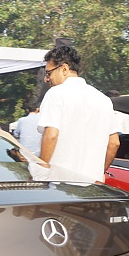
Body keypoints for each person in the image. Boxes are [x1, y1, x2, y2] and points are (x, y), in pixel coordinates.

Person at [36, 44, 119, 183]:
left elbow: (51, 135)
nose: (46, 79)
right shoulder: (103, 100)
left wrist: (40, 175)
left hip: (60, 186)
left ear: (64, 69)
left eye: (48, 73)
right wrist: (99, 172)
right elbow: (114, 143)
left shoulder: (56, 94)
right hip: (92, 188)